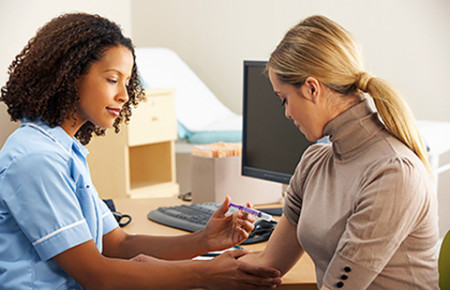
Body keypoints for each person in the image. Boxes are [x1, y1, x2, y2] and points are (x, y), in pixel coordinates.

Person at [0, 13, 282, 289]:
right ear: (70, 76)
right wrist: (207, 274)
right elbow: (97, 275)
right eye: (113, 79)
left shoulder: (63, 150)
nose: (124, 95)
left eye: (127, 82)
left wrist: (204, 241)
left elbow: (118, 244)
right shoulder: (35, 159)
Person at [240, 15, 439, 289]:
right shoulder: (314, 162)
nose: (286, 113)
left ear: (311, 88)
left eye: (284, 99)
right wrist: (199, 265)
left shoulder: (393, 172)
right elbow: (267, 263)